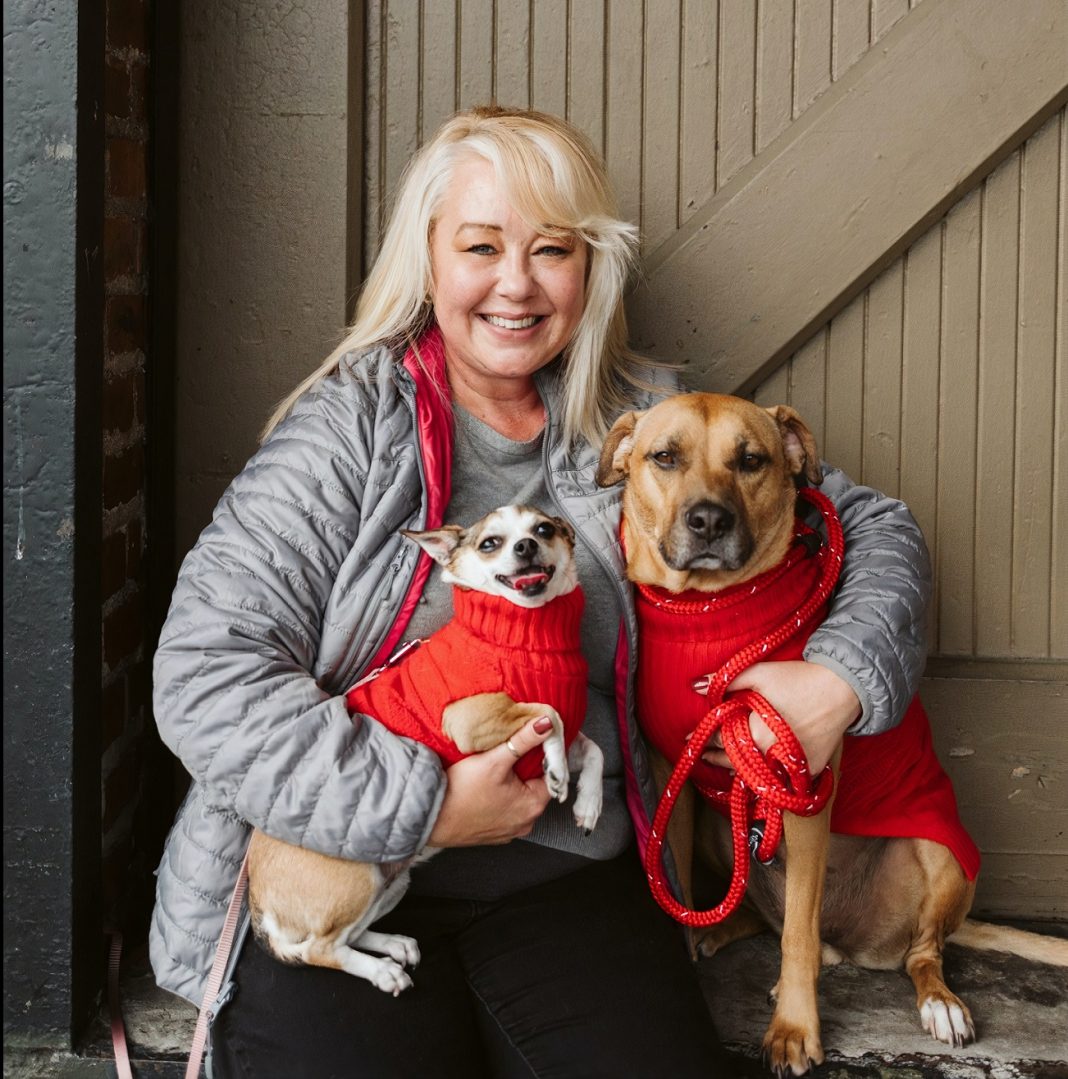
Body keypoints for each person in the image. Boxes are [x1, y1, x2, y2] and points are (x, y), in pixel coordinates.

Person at [150, 106, 931, 1078]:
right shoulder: (343, 436)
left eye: (552, 249)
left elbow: (877, 529)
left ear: (589, 267)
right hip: (345, 873)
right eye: (481, 245)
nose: (515, 283)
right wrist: (425, 806)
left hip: (570, 882)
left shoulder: (644, 421)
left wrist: (836, 681)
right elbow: (203, 677)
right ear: (429, 257)